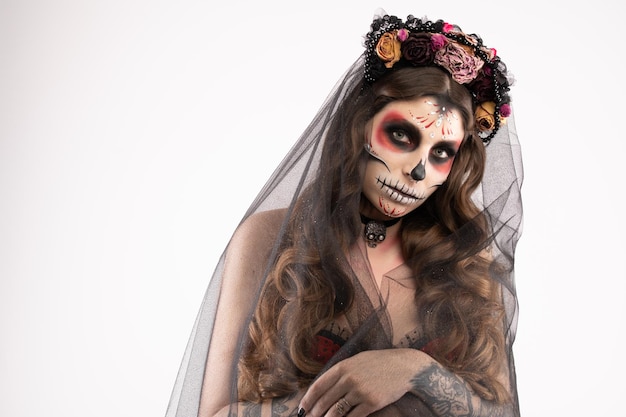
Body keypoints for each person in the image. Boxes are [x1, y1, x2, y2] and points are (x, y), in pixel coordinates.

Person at [166, 12, 523, 417]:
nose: (418, 170)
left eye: (440, 153)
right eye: (402, 135)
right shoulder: (270, 237)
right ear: (359, 125)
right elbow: (213, 413)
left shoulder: (466, 258)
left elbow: (498, 410)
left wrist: (416, 371)